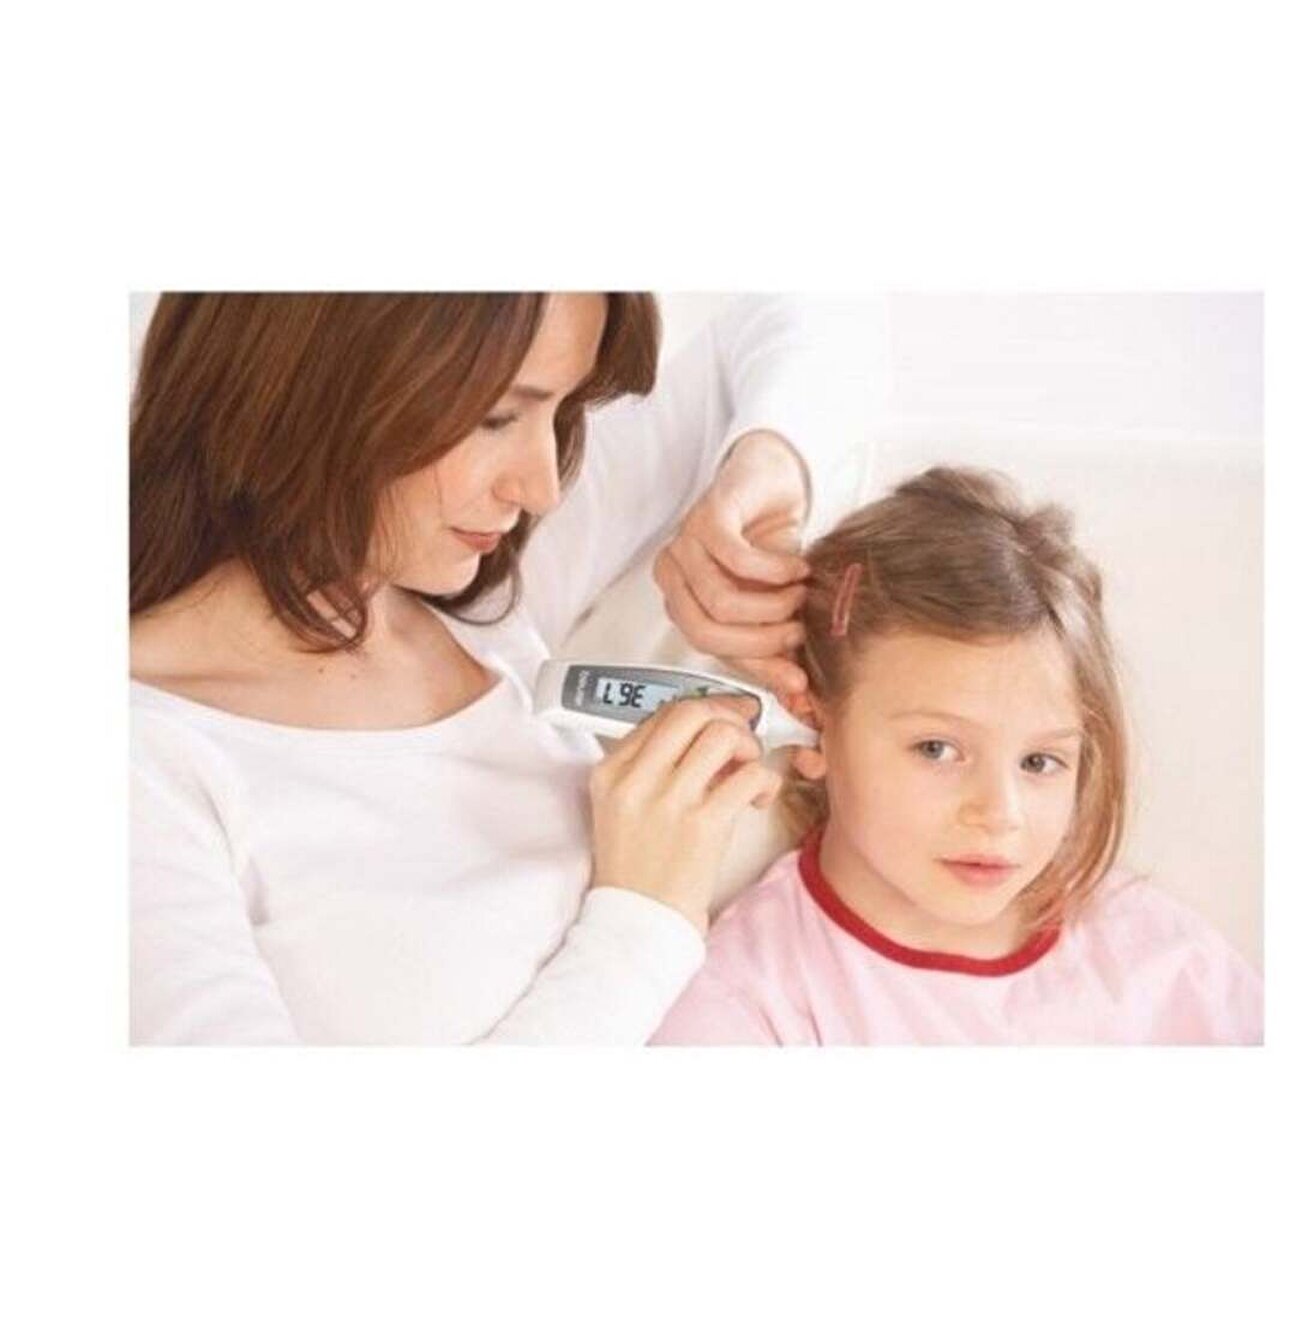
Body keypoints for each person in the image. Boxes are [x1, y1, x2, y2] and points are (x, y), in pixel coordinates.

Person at [129, 292, 886, 1044]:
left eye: (562, 410)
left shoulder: (474, 597)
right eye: (497, 418)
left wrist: (762, 472)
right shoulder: (149, 765)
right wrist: (644, 917)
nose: (541, 487)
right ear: (312, 379)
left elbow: (811, 314)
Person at [651, 466, 1263, 1045]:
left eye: (1039, 762)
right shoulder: (749, 997)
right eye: (938, 749)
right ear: (813, 725)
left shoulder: (1163, 964)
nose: (1000, 815)